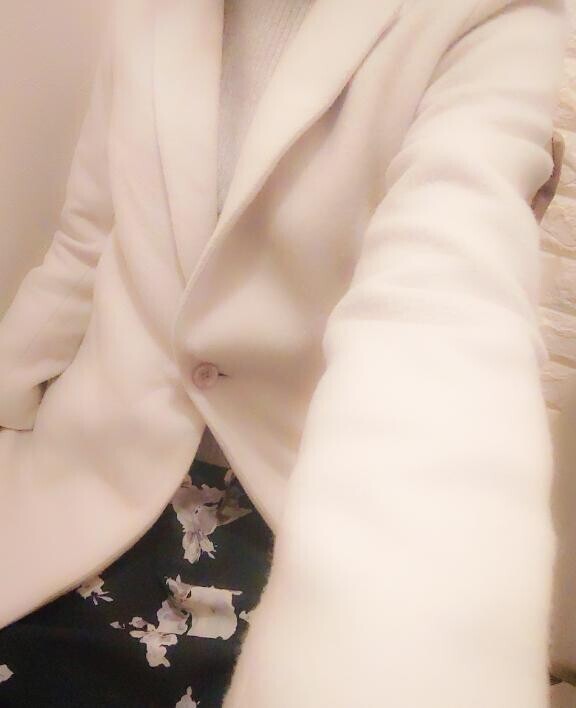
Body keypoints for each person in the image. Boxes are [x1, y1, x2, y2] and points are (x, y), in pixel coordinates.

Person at [0, 0, 569, 706]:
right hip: (91, 469)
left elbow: (444, 310)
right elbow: (90, 234)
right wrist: (10, 407)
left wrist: (409, 640)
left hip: (287, 507)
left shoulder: (494, 15)